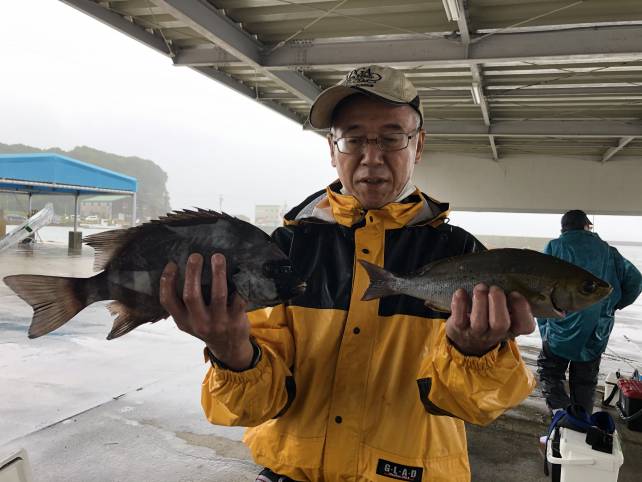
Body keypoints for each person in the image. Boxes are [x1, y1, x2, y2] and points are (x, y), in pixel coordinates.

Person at [159, 65, 536, 482]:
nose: (371, 157)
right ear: (332, 148)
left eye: (391, 138)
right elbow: (257, 407)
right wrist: (231, 353)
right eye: (353, 139)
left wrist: (474, 353)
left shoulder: (462, 256)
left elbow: (473, 406)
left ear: (418, 145)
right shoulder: (284, 250)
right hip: (291, 471)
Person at [537, 210, 642, 416]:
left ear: (563, 228)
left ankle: (562, 415)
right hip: (596, 333)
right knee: (585, 382)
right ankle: (582, 422)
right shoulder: (608, 251)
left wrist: (544, 324)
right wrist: (613, 305)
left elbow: (539, 287)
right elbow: (636, 280)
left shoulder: (554, 247)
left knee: (550, 372)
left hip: (560, 329)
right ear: (587, 226)